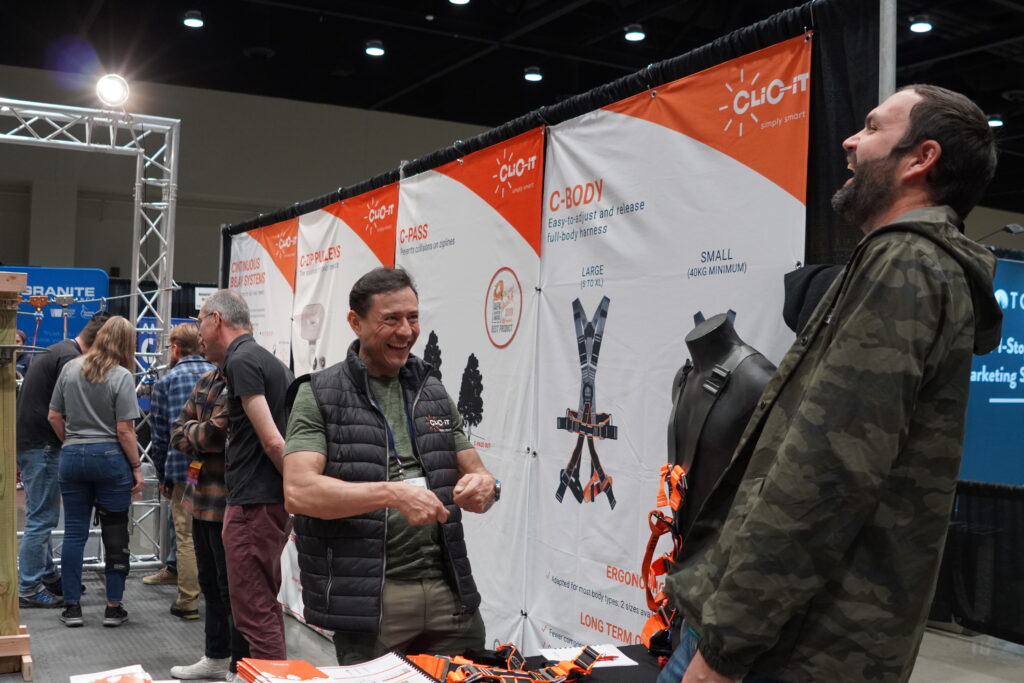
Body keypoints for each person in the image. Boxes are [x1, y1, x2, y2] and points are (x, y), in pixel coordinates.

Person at [658, 85, 1002, 683]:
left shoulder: (905, 265)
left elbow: (826, 474)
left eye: (872, 127)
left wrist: (727, 646)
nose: (850, 139)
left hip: (787, 651)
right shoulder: (898, 262)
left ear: (921, 158)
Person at [283, 267, 498, 665]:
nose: (406, 331)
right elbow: (299, 491)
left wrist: (486, 485)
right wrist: (392, 493)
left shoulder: (432, 390)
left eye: (413, 317)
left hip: (450, 594)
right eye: (391, 319)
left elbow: (478, 474)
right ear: (355, 322)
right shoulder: (318, 394)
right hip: (372, 600)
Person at [196, 290, 294, 660]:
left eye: (200, 321)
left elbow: (272, 441)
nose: (198, 333)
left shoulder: (242, 362)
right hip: (264, 502)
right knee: (261, 606)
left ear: (217, 319)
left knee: (253, 612)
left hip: (254, 504)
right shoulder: (261, 359)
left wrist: (300, 490)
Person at [48, 316, 145, 627]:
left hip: (72, 457)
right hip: (110, 459)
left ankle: (72, 607)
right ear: (127, 344)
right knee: (115, 533)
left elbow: (53, 416)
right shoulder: (122, 376)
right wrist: (136, 467)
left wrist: (74, 443)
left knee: (74, 532)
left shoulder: (69, 368)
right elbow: (125, 430)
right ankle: (113, 608)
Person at [16, 311, 109, 608]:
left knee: (38, 515)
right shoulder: (70, 359)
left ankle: (46, 574)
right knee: (41, 520)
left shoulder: (58, 350)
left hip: (32, 443)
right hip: (43, 445)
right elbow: (61, 413)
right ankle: (29, 588)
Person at [168, 363, 250, 681]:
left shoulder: (241, 379)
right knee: (211, 586)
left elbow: (217, 432)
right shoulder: (207, 380)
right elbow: (179, 430)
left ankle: (240, 667)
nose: (200, 335)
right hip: (200, 498)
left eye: (203, 323)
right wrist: (199, 434)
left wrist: (197, 432)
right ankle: (216, 657)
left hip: (229, 501)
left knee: (233, 590)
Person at [149, 323, 215, 620]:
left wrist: (162, 474)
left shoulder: (167, 381)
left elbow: (160, 434)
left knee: (185, 532)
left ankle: (188, 600)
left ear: (176, 348)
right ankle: (216, 598)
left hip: (182, 467)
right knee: (214, 533)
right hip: (216, 467)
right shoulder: (218, 375)